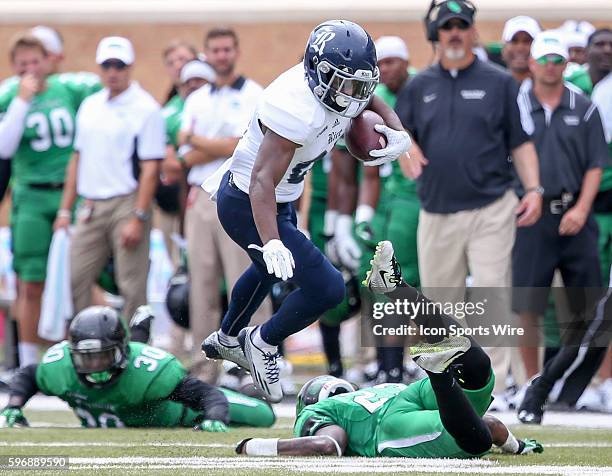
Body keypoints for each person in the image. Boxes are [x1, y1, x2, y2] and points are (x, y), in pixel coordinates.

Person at [202, 20, 411, 402]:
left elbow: (367, 96)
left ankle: (229, 337)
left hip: (280, 199)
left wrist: (397, 130)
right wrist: (272, 241)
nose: (351, 95)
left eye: (356, 84)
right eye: (343, 83)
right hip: (249, 201)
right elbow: (261, 183)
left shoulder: (337, 84)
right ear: (317, 72)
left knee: (267, 271)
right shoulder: (294, 107)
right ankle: (262, 342)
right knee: (327, 288)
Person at [236, 242, 543, 458]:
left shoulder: (320, 412)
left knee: (472, 442)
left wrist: (252, 446)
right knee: (477, 369)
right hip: (403, 393)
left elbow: (327, 446)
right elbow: (492, 425)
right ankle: (397, 289)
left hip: (389, 424)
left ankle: (438, 373)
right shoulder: (370, 392)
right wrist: (518, 447)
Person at [395, 0, 542, 399]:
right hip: (436, 210)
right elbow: (396, 129)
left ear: (474, 31)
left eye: (462, 26)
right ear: (436, 35)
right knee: (441, 302)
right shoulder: (418, 85)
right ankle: (443, 385)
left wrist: (534, 189)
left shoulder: (500, 82)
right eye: (447, 27)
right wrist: (405, 150)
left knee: (491, 293)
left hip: (491, 206)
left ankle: (490, 388)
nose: (454, 33)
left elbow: (521, 142)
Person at [514, 32, 608, 424]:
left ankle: (589, 386)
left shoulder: (583, 106)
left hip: (574, 213)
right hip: (531, 215)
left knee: (589, 304)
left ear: (564, 64)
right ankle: (530, 380)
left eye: (557, 60)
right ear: (532, 63)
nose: (551, 66)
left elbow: (596, 164)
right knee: (527, 303)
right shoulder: (516, 104)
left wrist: (583, 209)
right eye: (545, 60)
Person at [0, 306, 275, 430]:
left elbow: (206, 395)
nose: (94, 366)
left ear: (122, 352)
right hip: (128, 408)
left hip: (182, 414)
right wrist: (13, 404)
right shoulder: (59, 367)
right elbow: (29, 375)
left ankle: (239, 383)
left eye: (103, 356)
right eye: (87, 358)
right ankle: (139, 330)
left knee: (265, 416)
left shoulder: (149, 373)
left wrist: (214, 416)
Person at [0, 34, 101, 367]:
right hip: (30, 195)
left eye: (35, 61)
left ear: (49, 60)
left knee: (81, 276)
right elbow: (5, 147)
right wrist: (21, 102)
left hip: (69, 192)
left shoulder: (67, 90)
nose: (30, 69)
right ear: (15, 67)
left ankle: (87, 353)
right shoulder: (11, 96)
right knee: (30, 282)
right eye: (23, 63)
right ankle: (27, 365)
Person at [177, 27, 269, 384]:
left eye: (227, 49)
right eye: (214, 50)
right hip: (200, 193)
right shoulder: (196, 98)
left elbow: (239, 145)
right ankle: (205, 369)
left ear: (236, 51)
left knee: (245, 276)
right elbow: (184, 154)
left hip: (240, 190)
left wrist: (198, 141)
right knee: (201, 283)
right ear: (206, 53)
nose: (221, 56)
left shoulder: (254, 94)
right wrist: (208, 145)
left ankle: (254, 362)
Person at [54, 36, 166, 320]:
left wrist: (138, 216)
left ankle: (134, 348)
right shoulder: (90, 105)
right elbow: (77, 159)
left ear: (129, 68)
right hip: (91, 202)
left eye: (119, 65)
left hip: (127, 200)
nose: (113, 72)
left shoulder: (145, 108)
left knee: (132, 283)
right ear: (100, 68)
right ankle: (86, 345)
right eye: (107, 65)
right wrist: (66, 209)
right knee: (76, 276)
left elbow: (151, 167)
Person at [501, 16, 541, 85]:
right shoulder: (493, 86)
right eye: (514, 41)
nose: (520, 48)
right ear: (504, 48)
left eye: (527, 41)